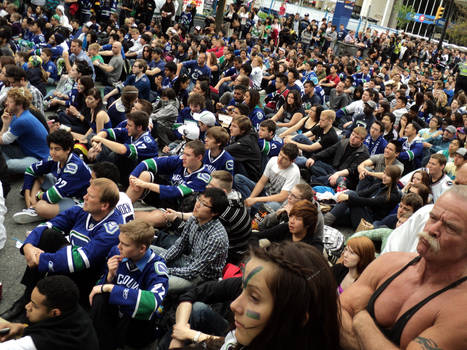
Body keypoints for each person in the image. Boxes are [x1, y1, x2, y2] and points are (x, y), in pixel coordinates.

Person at [340, 185, 467, 350]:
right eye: (433, 218)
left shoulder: (461, 308)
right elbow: (335, 313)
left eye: (450, 227)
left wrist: (361, 321)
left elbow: (346, 316)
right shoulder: (390, 262)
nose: (432, 230)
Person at [1, 178, 123, 320]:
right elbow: (48, 225)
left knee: (65, 255)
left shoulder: (112, 229)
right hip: (70, 263)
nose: (84, 197)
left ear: (104, 205)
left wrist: (41, 259)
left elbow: (81, 260)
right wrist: (28, 246)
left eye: (90, 196)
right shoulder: (83, 209)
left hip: (88, 280)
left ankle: (39, 310)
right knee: (48, 236)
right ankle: (27, 298)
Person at [220, 241, 340, 350]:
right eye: (242, 289)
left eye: (254, 298)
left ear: (296, 318)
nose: (234, 305)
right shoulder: (247, 336)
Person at [89, 220, 169, 350]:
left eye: (125, 244)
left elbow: (152, 303)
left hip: (137, 324)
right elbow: (100, 287)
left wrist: (111, 288)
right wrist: (109, 276)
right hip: (116, 313)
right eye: (119, 241)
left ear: (142, 248)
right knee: (99, 298)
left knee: (136, 312)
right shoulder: (116, 251)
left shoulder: (156, 268)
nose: (118, 246)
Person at [153, 188, 229, 292]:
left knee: (158, 282)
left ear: (214, 213)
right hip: (187, 261)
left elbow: (194, 271)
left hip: (200, 278)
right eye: (199, 199)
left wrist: (164, 270)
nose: (197, 205)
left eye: (203, 204)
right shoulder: (194, 219)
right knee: (148, 252)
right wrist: (160, 260)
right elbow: (179, 245)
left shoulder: (216, 237)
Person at [13, 129, 91, 224]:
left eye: (57, 149)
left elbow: (52, 196)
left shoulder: (74, 167)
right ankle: (33, 207)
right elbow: (30, 170)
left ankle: (38, 211)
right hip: (65, 192)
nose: (52, 152)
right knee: (38, 177)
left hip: (79, 201)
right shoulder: (56, 158)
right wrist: (28, 196)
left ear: (68, 149)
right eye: (51, 148)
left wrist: (38, 195)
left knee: (42, 207)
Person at [0, 276, 99, 350]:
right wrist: (22, 329)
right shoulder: (74, 312)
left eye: (34, 306)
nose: (27, 306)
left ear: (55, 313)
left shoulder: (45, 341)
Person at [127, 140, 211, 213]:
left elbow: (175, 191)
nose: (183, 157)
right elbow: (148, 162)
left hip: (177, 210)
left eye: (188, 155)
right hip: (164, 196)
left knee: (156, 216)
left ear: (199, 157)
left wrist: (145, 184)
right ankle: (123, 207)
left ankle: (126, 216)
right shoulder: (179, 160)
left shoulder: (203, 177)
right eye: (183, 153)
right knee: (145, 174)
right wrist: (132, 176)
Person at [89, 111, 158, 187]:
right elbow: (106, 132)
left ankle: (103, 181)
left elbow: (123, 150)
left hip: (140, 180)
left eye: (129, 125)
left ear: (139, 127)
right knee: (104, 147)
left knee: (116, 154)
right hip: (127, 171)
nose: (126, 127)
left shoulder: (148, 143)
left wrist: (101, 140)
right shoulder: (132, 132)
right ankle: (98, 176)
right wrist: (96, 143)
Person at [325, 165, 402, 230]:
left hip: (367, 223)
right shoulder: (380, 185)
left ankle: (326, 220)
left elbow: (370, 201)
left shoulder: (394, 195)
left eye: (388, 176)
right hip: (359, 214)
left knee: (351, 195)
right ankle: (324, 219)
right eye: (384, 173)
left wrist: (348, 197)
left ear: (395, 179)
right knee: (337, 217)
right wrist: (345, 194)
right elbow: (361, 194)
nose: (384, 177)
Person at [235, 143, 301, 213]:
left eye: (284, 158)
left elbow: (282, 197)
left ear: (292, 161)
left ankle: (251, 208)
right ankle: (250, 206)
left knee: (269, 207)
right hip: (266, 193)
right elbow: (261, 182)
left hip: (278, 202)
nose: (279, 159)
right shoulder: (273, 160)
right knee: (238, 178)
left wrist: (256, 200)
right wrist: (251, 198)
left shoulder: (294, 172)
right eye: (280, 154)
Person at [0, 88, 49, 174]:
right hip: (28, 151)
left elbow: (2, 140)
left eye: (10, 102)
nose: (6, 103)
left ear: (19, 105)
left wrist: (5, 126)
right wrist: (5, 125)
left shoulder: (22, 120)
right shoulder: (18, 115)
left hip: (39, 159)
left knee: (8, 164)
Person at [224, 115, 262, 182]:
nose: (230, 128)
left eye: (234, 126)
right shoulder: (243, 135)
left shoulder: (245, 142)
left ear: (243, 130)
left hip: (250, 178)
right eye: (231, 125)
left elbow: (224, 151)